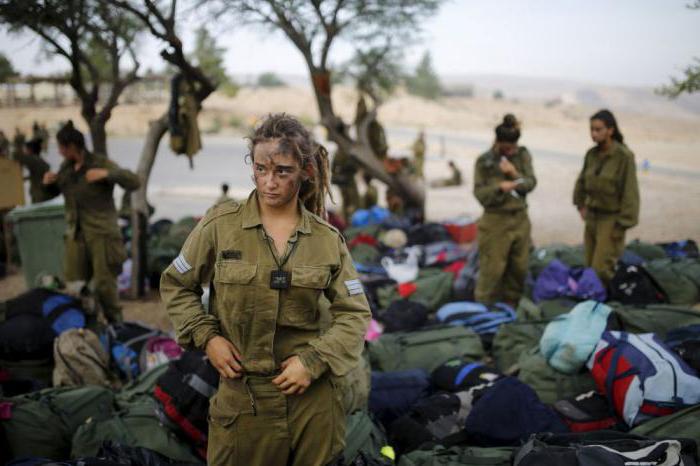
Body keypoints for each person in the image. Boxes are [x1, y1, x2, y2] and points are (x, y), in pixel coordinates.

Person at [160, 113, 371, 466]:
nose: (269, 182)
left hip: (312, 403)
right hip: (244, 400)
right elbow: (176, 284)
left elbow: (355, 314)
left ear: (305, 171)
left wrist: (314, 361)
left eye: (282, 172)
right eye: (260, 169)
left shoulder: (326, 240)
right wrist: (207, 338)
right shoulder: (220, 225)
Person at [41, 121, 140, 323]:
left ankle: (116, 327)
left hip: (102, 235)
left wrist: (107, 174)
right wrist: (48, 184)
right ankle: (82, 330)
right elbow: (55, 192)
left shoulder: (99, 163)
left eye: (60, 147)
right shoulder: (67, 168)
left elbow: (133, 180)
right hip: (76, 237)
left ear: (71, 147)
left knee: (105, 287)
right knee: (74, 287)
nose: (58, 152)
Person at [473, 114, 537, 305]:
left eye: (514, 147)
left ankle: (511, 312)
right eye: (508, 148)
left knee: (519, 269)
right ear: (498, 142)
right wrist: (499, 188)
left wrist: (514, 174)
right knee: (492, 271)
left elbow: (531, 184)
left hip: (520, 220)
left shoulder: (523, 155)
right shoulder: (484, 161)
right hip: (495, 221)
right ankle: (484, 312)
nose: (511, 151)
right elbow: (480, 195)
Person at [573, 109, 639, 285]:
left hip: (611, 219)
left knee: (601, 269)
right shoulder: (592, 154)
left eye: (598, 129)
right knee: (588, 264)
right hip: (592, 216)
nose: (594, 134)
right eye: (592, 129)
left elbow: (630, 191)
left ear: (610, 130)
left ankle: (601, 304)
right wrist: (580, 205)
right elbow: (582, 181)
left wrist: (623, 224)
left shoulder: (623, 157)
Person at [330, 125, 360, 221]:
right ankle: (349, 220)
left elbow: (334, 167)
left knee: (348, 201)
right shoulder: (345, 148)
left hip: (345, 179)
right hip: (346, 180)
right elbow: (335, 166)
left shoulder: (342, 148)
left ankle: (348, 220)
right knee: (352, 201)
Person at [16, 138, 51, 203]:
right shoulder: (41, 162)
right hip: (43, 194)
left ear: (30, 150)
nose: (25, 152)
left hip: (39, 195)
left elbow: (19, 157)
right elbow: (37, 175)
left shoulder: (33, 160)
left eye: (26, 150)